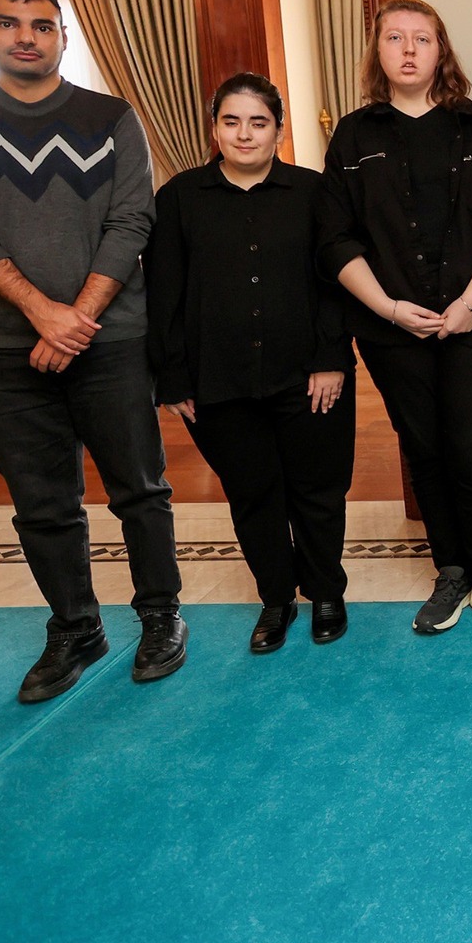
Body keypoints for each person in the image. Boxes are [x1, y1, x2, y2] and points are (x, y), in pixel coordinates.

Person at [0, 0, 185, 701]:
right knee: (41, 503)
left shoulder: (111, 116)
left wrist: (76, 319)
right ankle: (75, 627)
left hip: (111, 339)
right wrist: (43, 314)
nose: (26, 37)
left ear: (63, 35)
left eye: (41, 24)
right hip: (5, 349)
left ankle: (161, 615)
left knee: (141, 489)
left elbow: (132, 221)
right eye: (8, 22)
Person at [317, 0, 472, 642]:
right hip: (392, 328)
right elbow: (335, 238)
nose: (409, 50)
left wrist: (469, 303)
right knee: (426, 450)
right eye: (394, 38)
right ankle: (452, 571)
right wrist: (387, 309)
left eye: (423, 38)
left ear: (442, 51)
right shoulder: (354, 136)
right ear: (377, 51)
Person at [146, 73, 355, 653]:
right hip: (218, 380)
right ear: (213, 128)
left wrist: (331, 357)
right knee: (253, 493)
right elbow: (163, 293)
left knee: (317, 491)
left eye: (258, 122)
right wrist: (172, 376)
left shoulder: (313, 193)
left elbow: (337, 283)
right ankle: (276, 599)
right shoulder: (179, 198)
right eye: (231, 121)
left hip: (310, 375)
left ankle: (326, 592)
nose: (244, 134)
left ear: (278, 131)